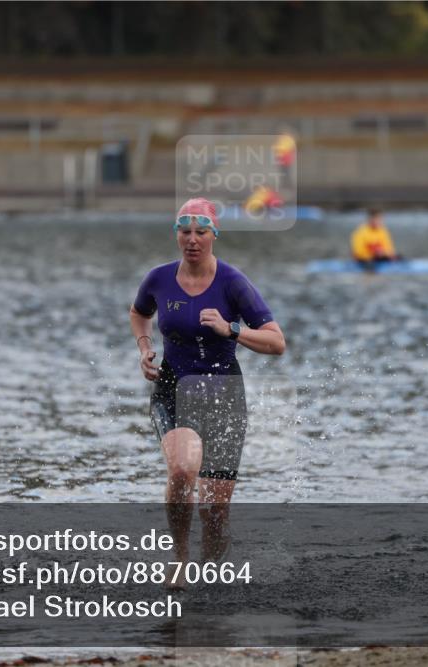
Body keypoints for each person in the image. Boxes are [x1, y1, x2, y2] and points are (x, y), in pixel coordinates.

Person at [129, 197, 286, 589]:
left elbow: (277, 342)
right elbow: (138, 312)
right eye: (185, 232)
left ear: (214, 234)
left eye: (201, 232)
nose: (192, 240)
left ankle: (212, 574)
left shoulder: (233, 283)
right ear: (177, 235)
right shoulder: (158, 279)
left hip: (223, 394)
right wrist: (145, 348)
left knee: (215, 512)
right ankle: (179, 557)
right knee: (182, 468)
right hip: (173, 387)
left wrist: (231, 330)